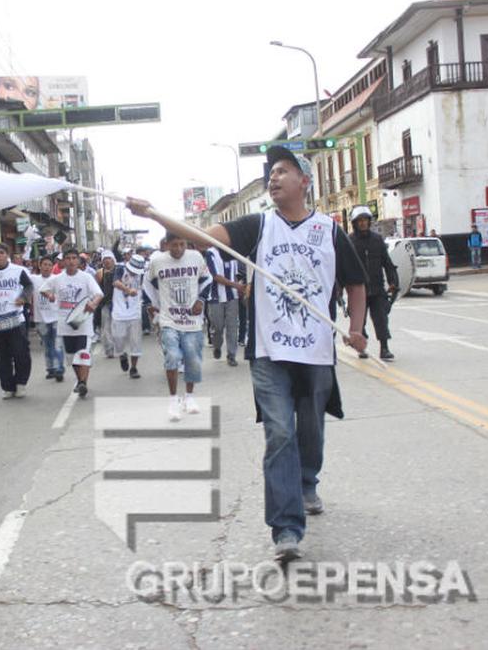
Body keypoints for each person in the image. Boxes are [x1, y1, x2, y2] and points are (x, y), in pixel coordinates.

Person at [126, 145, 367, 563]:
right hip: (269, 351)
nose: (273, 177)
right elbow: (201, 236)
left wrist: (358, 329)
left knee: (310, 428)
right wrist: (153, 214)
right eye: (271, 172)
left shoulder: (329, 230)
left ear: (304, 182)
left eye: (283, 171)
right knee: (280, 433)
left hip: (316, 350)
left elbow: (355, 283)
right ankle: (286, 530)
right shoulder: (258, 226)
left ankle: (307, 482)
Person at [144, 231, 212, 421]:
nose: (179, 249)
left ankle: (189, 397)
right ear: (167, 244)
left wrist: (201, 300)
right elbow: (147, 284)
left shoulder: (195, 257)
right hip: (169, 319)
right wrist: (152, 305)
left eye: (182, 244)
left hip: (192, 321)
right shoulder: (157, 261)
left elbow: (207, 279)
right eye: (174, 245)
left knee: (193, 360)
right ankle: (173, 399)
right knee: (172, 357)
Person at [40, 248, 103, 398]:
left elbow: (99, 294)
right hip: (65, 323)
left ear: (79, 261)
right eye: (68, 258)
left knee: (83, 353)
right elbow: (43, 289)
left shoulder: (86, 277)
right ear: (63, 261)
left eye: (74, 258)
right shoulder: (57, 279)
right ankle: (80, 380)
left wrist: (93, 303)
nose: (71, 261)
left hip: (83, 321)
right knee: (71, 356)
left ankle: (82, 383)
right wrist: (50, 295)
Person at [0, 244, 33, 398]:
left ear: (7, 255)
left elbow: (29, 286)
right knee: (2, 355)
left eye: (1, 252)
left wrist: (23, 297)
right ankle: (7, 387)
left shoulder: (18, 270)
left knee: (20, 352)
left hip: (15, 316)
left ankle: (21, 383)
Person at [350, 206, 399, 361]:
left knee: (381, 319)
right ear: (355, 223)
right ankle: (361, 347)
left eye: (365, 220)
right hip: (358, 289)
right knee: (359, 321)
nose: (363, 223)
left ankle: (384, 348)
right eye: (360, 221)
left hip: (377, 288)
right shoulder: (350, 241)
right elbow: (342, 266)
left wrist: (393, 281)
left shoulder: (377, 240)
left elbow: (387, 263)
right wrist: (340, 288)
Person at [204, 244, 244, 367]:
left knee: (232, 326)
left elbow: (236, 275)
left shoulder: (232, 252)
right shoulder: (210, 253)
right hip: (216, 297)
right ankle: (217, 346)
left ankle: (231, 355)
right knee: (218, 327)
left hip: (232, 296)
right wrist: (236, 285)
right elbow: (216, 276)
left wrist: (239, 289)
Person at [111, 254, 146, 379]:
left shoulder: (142, 275)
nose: (134, 273)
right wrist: (127, 290)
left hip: (135, 313)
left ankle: (134, 368)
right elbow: (115, 282)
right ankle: (122, 355)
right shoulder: (120, 269)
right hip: (119, 313)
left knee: (136, 342)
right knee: (118, 340)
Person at [32, 256, 65, 382]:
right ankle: (50, 368)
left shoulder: (57, 279)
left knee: (57, 344)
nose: (47, 267)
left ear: (52, 267)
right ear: (40, 266)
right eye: (44, 264)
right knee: (47, 345)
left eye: (49, 265)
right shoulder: (34, 279)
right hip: (41, 319)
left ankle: (59, 369)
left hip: (56, 317)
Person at [95, 251, 118, 359]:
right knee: (106, 327)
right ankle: (109, 349)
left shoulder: (119, 271)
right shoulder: (100, 273)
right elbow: (97, 288)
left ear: (113, 259)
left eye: (109, 258)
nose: (107, 261)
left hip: (118, 304)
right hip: (105, 303)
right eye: (105, 259)